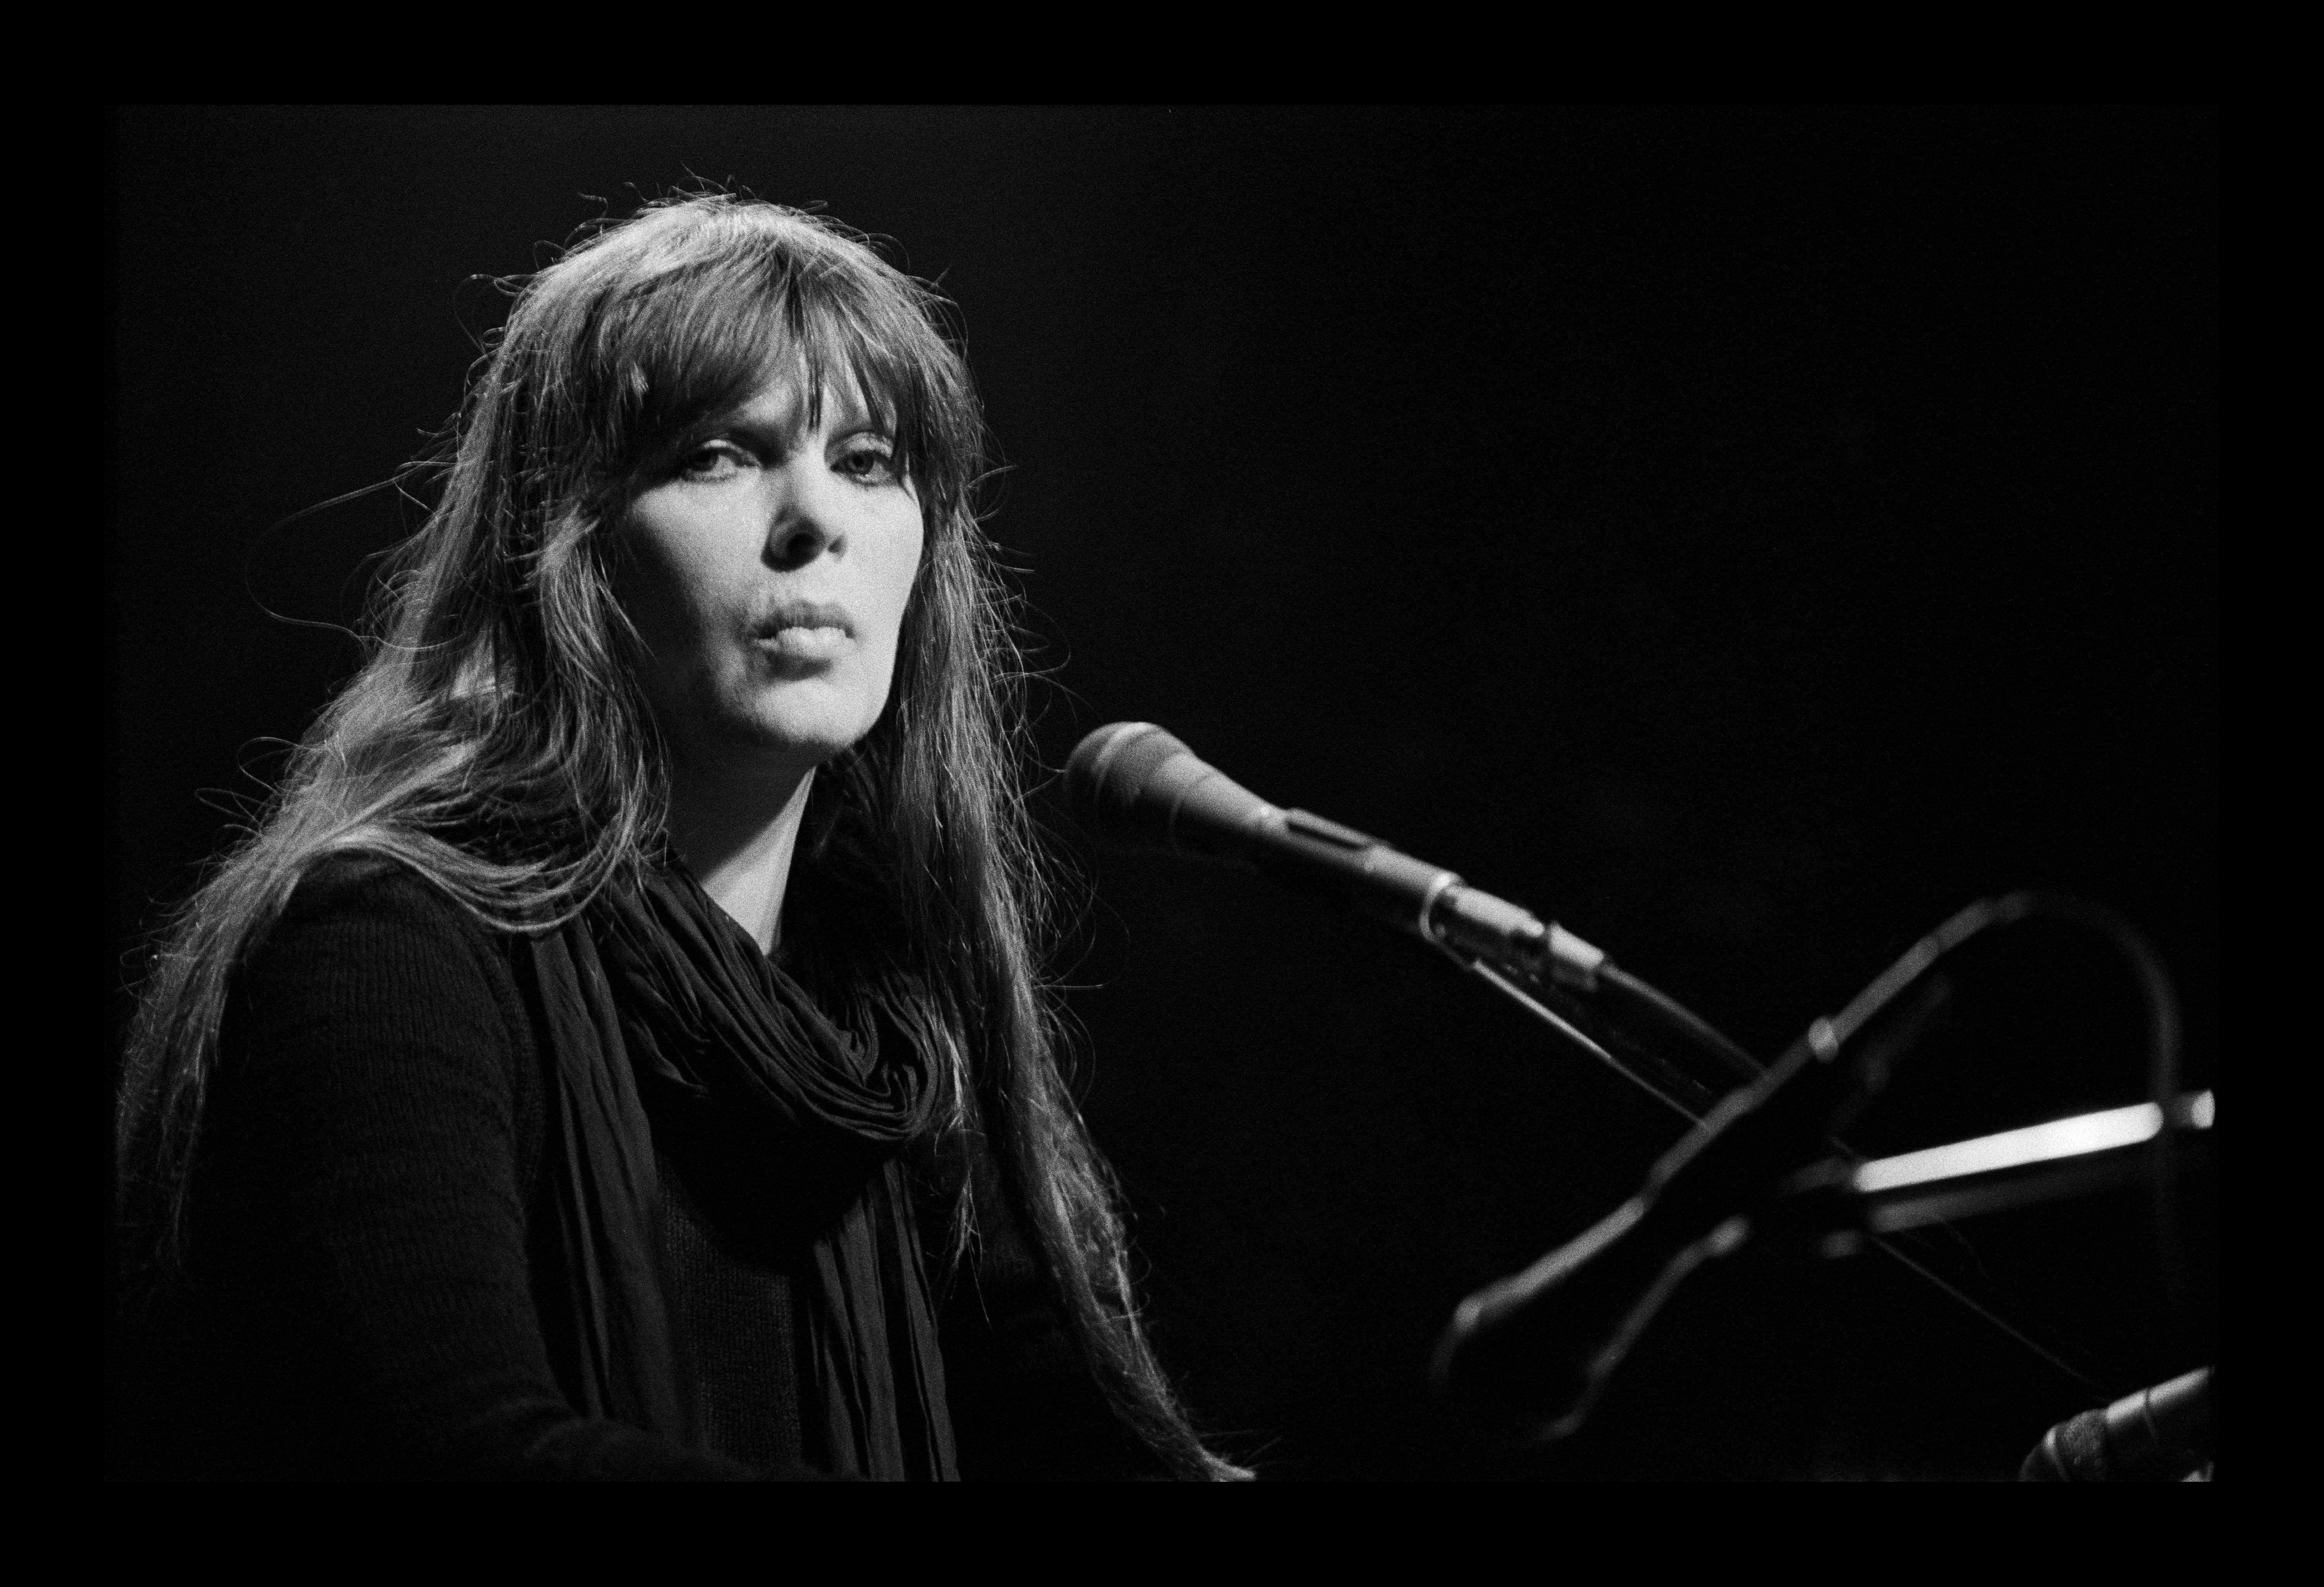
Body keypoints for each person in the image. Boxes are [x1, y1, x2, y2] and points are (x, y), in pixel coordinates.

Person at [112, 194, 1247, 1481]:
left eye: (869, 461)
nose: (814, 519)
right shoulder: (384, 950)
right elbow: (451, 1445)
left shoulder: (897, 1037)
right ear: (567, 547)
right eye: (719, 453)